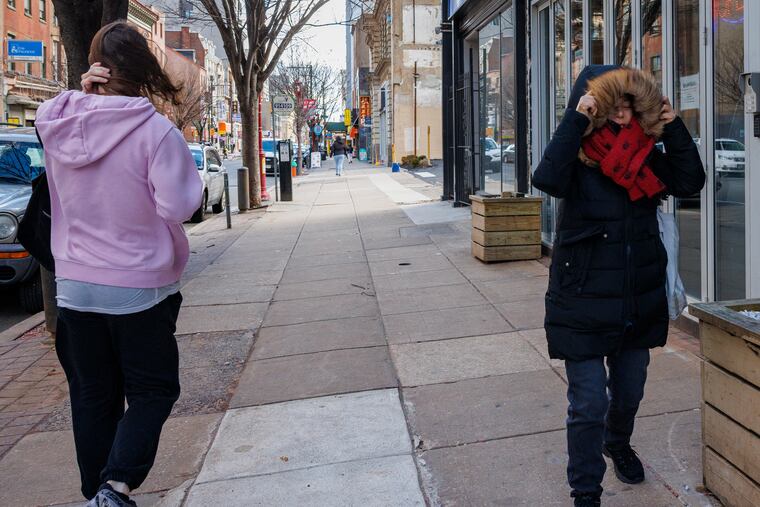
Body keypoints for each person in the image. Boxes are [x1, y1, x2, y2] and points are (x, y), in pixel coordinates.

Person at [35, 21, 202, 507]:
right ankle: (116, 486)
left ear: (96, 67)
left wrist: (82, 95)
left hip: (74, 284)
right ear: (144, 68)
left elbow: (64, 113)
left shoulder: (56, 120)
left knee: (93, 396)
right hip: (138, 286)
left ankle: (97, 495)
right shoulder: (155, 131)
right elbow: (179, 206)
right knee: (153, 390)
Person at [532, 66, 704, 507]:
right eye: (613, 106)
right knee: (588, 402)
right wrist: (576, 119)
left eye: (629, 105)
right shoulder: (576, 153)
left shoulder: (646, 153)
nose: (622, 114)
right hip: (582, 296)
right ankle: (585, 490)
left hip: (634, 294)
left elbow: (690, 181)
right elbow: (546, 179)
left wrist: (673, 126)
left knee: (629, 392)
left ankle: (617, 442)